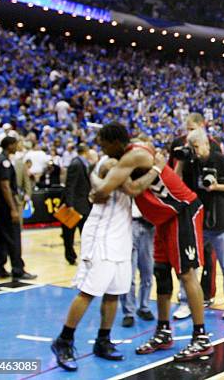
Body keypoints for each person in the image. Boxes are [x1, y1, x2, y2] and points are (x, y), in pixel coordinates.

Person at [91, 122, 213, 361]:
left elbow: (112, 190)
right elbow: (128, 187)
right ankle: (163, 331)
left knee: (187, 274)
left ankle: (201, 338)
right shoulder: (132, 156)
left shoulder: (133, 155)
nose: (102, 149)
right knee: (161, 273)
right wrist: (154, 171)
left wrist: (94, 176)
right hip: (163, 219)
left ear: (115, 142)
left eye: (103, 144)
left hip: (182, 211)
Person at [50, 156, 160, 371]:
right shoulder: (109, 164)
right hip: (101, 237)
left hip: (121, 237)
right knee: (88, 292)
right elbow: (132, 188)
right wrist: (157, 168)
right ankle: (63, 340)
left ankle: (103, 340)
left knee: (114, 293)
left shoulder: (128, 165)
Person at [173, 128, 224, 320]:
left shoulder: (223, 161)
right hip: (197, 223)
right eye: (191, 147)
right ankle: (186, 302)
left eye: (196, 147)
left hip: (221, 223)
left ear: (205, 144)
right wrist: (181, 160)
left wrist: (215, 186)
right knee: (190, 267)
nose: (194, 151)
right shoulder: (190, 163)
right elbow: (174, 183)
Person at [169, 112, 221, 310]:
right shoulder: (178, 144)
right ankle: (185, 298)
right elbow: (172, 176)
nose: (188, 134)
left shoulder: (213, 144)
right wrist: (181, 160)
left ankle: (207, 294)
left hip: (206, 205)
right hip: (185, 205)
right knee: (186, 254)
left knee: (208, 253)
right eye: (187, 129)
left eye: (192, 129)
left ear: (202, 126)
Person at [0, 136, 37, 280]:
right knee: (14, 237)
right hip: (6, 205)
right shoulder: (4, 162)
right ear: (9, 145)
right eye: (15, 144)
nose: (17, 147)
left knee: (1, 238)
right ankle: (18, 269)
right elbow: (5, 186)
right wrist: (13, 208)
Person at [120, 200, 155, 327]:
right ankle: (129, 312)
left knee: (148, 270)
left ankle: (144, 307)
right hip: (128, 224)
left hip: (149, 225)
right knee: (128, 273)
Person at [60, 144, 93, 265]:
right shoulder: (76, 164)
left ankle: (86, 256)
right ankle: (70, 256)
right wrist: (70, 205)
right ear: (85, 151)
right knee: (69, 235)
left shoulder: (82, 163)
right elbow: (70, 186)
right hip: (74, 205)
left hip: (83, 205)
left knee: (85, 233)